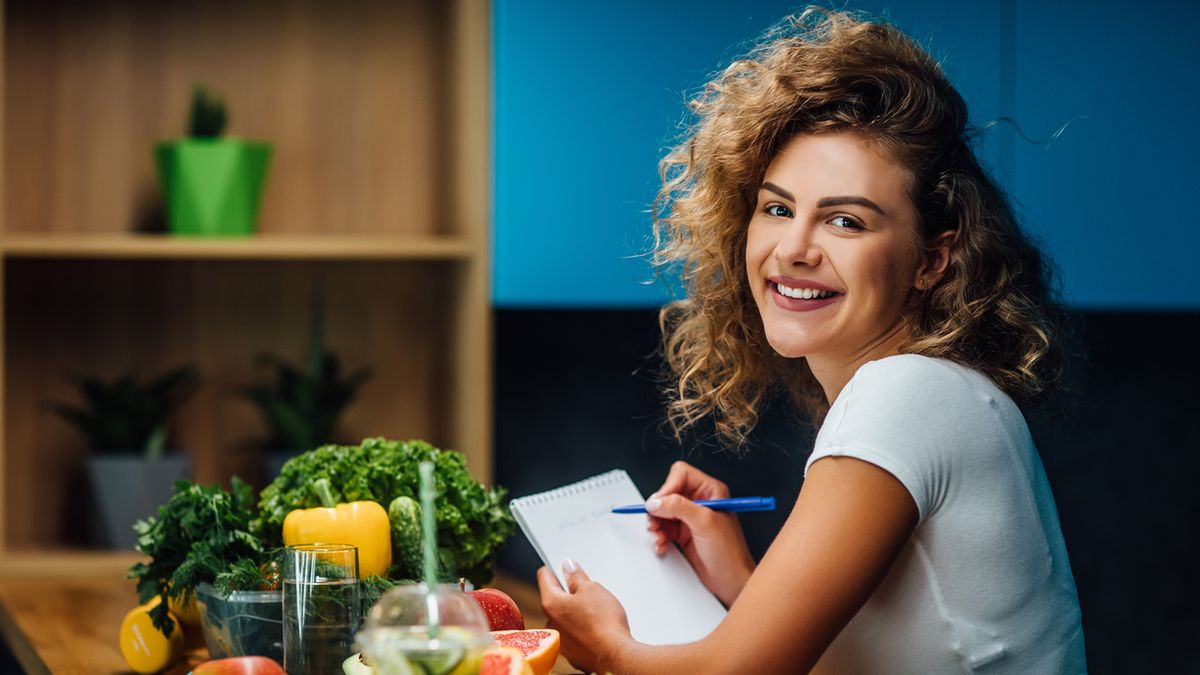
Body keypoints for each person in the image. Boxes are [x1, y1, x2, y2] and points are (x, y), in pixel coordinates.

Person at [536, 7, 1087, 674]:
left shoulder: (906, 394)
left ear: (931, 259)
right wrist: (740, 577)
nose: (793, 248)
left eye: (845, 221)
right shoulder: (940, 390)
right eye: (776, 208)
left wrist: (611, 650)